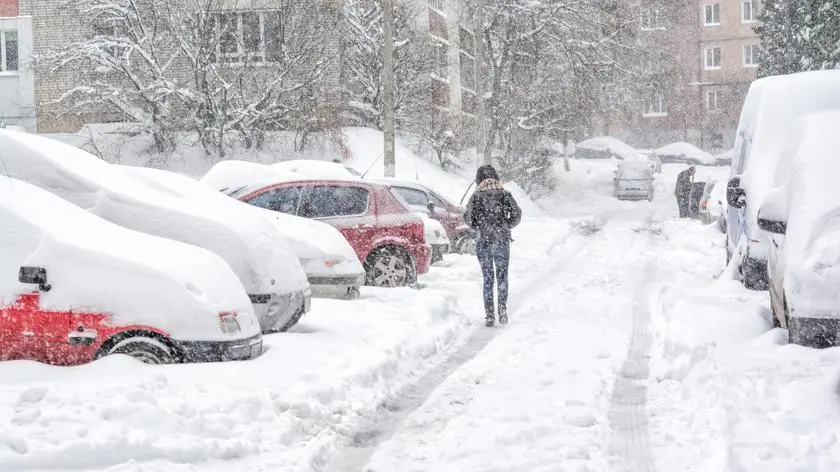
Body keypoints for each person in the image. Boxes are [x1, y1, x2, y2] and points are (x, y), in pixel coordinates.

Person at [464, 165, 522, 327]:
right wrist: (506, 225)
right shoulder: (504, 194)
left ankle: (489, 315)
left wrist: (479, 226)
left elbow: (468, 219)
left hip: (483, 240)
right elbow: (517, 214)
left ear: (479, 179)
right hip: (502, 240)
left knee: (488, 278)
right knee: (502, 276)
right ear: (495, 176)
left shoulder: (476, 196)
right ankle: (502, 309)